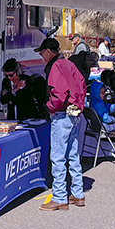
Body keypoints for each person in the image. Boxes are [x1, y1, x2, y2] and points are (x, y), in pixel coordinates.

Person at [36, 38, 86, 211]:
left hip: (61, 113)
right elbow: (82, 84)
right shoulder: (69, 64)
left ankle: (59, 198)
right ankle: (78, 194)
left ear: (48, 52)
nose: (42, 56)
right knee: (73, 155)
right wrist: (78, 104)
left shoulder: (56, 66)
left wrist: (50, 107)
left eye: (42, 53)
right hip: (74, 113)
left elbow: (59, 94)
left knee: (57, 156)